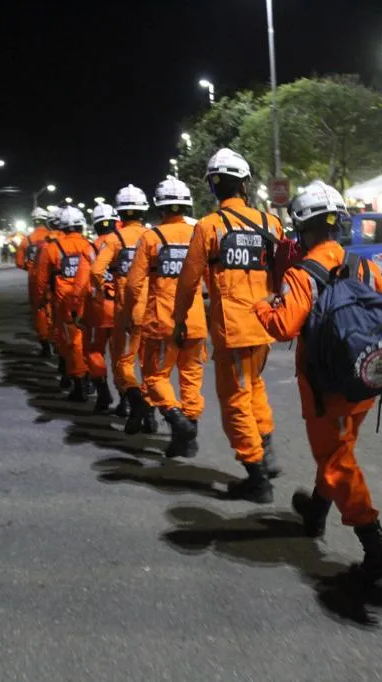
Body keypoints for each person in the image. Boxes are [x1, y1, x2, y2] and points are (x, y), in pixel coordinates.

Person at [254, 181, 382, 580]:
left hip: (326, 391)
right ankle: (316, 510)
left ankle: (377, 546)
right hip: (364, 380)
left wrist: (262, 307)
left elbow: (285, 327)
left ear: (303, 230)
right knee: (339, 452)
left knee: (337, 462)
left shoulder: (302, 275)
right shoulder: (363, 266)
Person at [172, 148, 283, 503]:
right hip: (265, 326)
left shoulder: (209, 227)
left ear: (213, 187)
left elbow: (189, 282)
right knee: (254, 389)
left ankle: (257, 475)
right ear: (246, 184)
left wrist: (179, 320)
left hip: (233, 332)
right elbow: (283, 274)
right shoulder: (270, 223)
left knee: (235, 400)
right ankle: (266, 452)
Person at [123, 177, 207, 458]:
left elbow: (134, 285)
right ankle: (187, 438)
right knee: (191, 378)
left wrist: (130, 312)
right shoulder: (199, 233)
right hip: (195, 321)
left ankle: (175, 419)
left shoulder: (151, 238)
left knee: (155, 376)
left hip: (163, 322)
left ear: (159, 207)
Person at [91, 184, 156, 433]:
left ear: (120, 213)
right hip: (150, 309)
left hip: (124, 311)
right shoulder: (152, 236)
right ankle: (149, 413)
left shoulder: (114, 239)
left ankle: (133, 399)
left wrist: (108, 287)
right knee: (149, 365)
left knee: (122, 362)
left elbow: (97, 271)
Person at [35, 205, 95, 401]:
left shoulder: (53, 248)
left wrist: (40, 300)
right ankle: (92, 378)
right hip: (89, 300)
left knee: (72, 343)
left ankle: (80, 382)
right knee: (89, 342)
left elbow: (41, 279)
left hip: (65, 301)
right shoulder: (90, 245)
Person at [83, 201, 120, 413]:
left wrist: (77, 311)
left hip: (97, 310)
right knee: (120, 358)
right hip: (122, 309)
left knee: (94, 351)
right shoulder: (124, 243)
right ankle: (126, 399)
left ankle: (103, 392)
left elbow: (82, 283)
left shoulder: (90, 249)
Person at [16, 207, 55, 357]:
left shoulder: (27, 240)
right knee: (55, 309)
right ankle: (56, 340)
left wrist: (31, 268)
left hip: (34, 278)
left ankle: (44, 342)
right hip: (53, 277)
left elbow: (19, 262)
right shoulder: (52, 237)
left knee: (39, 310)